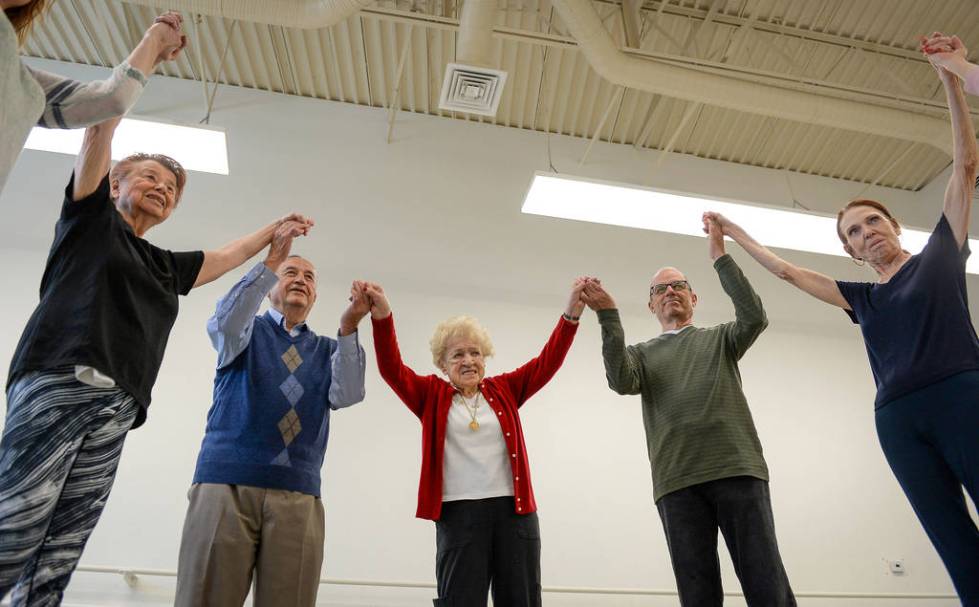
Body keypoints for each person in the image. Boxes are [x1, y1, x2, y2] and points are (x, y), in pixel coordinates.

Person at [702, 32, 978, 604]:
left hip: (962, 396)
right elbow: (786, 273)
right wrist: (733, 234)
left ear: (895, 227)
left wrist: (950, 77)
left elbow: (967, 164)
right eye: (854, 231)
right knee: (954, 542)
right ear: (851, 251)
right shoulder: (861, 297)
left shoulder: (940, 257)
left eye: (873, 220)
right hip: (898, 421)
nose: (866, 231)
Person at [0, 111, 314, 605]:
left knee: (60, 550)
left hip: (118, 408)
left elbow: (227, 255)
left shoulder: (165, 266)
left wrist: (276, 232)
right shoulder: (91, 221)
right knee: (16, 525)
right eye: (150, 176)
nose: (163, 188)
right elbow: (97, 134)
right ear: (114, 184)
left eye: (171, 187)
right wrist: (135, 71)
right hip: (60, 382)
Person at [579, 223, 795, 606]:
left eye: (678, 285)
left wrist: (719, 256)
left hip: (736, 468)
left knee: (766, 582)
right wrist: (608, 315)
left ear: (693, 297)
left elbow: (753, 317)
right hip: (676, 481)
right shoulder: (642, 355)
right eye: (660, 289)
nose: (670, 292)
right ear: (651, 305)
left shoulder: (720, 339)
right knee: (697, 592)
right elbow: (620, 380)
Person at [364, 280, 586, 607]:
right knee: (460, 600)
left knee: (521, 600)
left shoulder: (505, 389)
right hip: (459, 515)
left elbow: (546, 363)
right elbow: (392, 369)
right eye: (458, 354)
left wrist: (571, 316)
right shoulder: (430, 395)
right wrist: (382, 317)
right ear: (443, 364)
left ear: (485, 357)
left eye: (475, 352)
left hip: (515, 513)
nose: (468, 360)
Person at [174, 246, 369, 607]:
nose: (301, 280)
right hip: (224, 485)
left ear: (315, 296)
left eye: (309, 277)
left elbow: (350, 394)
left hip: (297, 494)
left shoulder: (329, 349)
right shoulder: (243, 333)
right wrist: (269, 261)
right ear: (268, 287)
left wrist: (349, 325)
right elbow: (225, 322)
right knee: (205, 597)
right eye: (290, 272)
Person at [1, 0, 187, 192]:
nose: (161, 189)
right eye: (150, 176)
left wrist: (155, 44)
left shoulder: (18, 81)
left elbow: (109, 101)